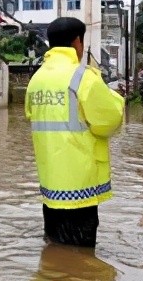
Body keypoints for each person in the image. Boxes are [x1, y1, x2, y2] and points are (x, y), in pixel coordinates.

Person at [24, 17, 125, 247]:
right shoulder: (83, 77)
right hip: (79, 189)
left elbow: (31, 114)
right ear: (77, 42)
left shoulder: (36, 79)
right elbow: (108, 121)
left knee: (56, 247)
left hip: (50, 188)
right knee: (81, 256)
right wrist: (117, 99)